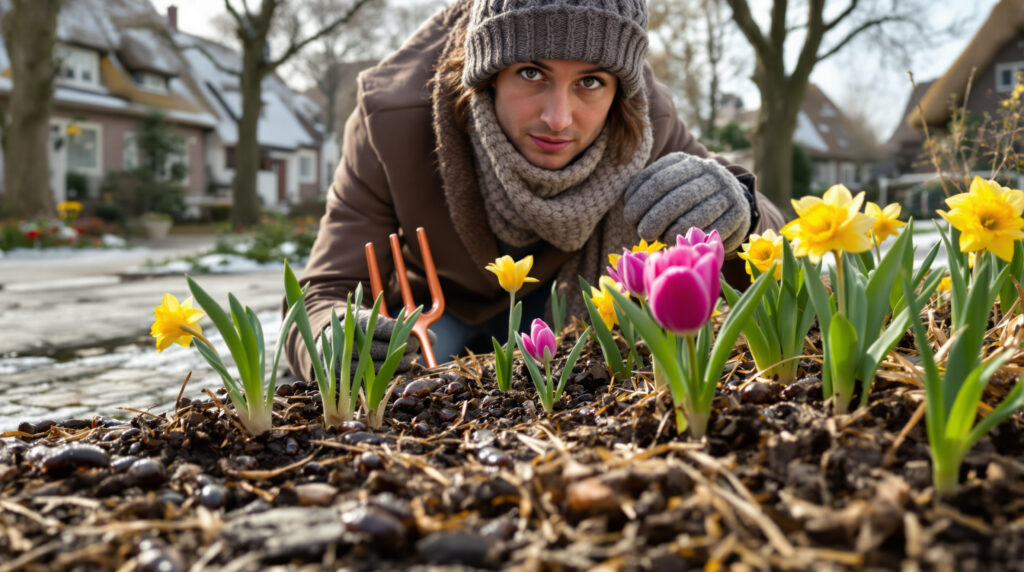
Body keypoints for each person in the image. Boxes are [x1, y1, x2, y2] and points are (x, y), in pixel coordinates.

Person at [284, 0, 785, 378]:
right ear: (486, 76)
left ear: (620, 90)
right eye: (531, 73)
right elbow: (320, 293)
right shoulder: (392, 120)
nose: (558, 118)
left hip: (562, 319)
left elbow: (777, 241)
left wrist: (740, 208)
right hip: (434, 320)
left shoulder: (643, 123)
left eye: (590, 82)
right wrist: (331, 340)